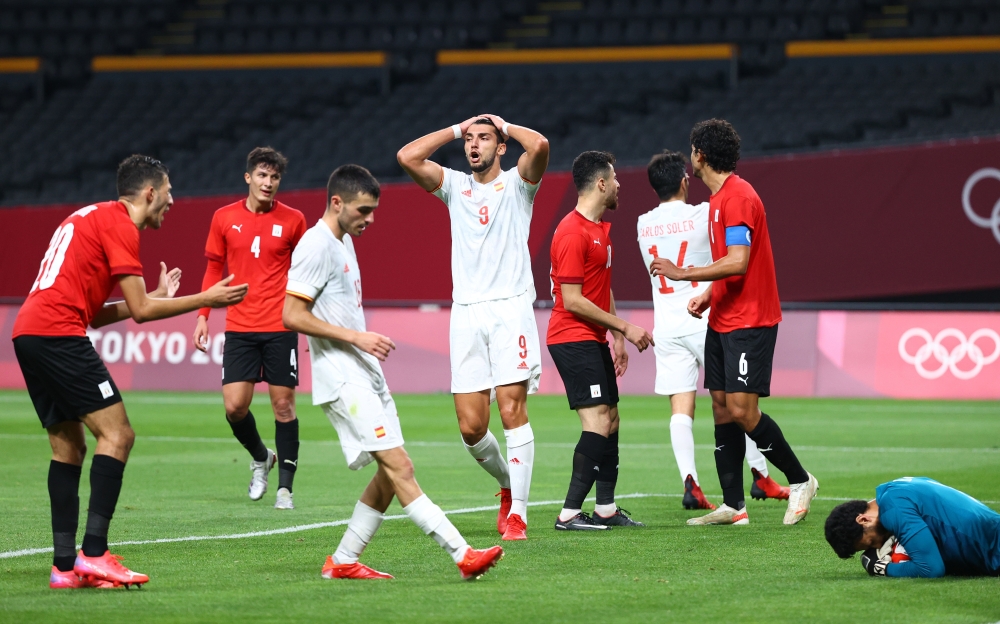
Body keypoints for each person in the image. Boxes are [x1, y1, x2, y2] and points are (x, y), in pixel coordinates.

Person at [12, 155, 248, 589]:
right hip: (58, 333)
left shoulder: (89, 217)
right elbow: (141, 312)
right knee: (118, 434)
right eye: (169, 192)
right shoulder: (121, 224)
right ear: (150, 193)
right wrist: (205, 299)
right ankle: (96, 554)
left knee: (68, 449)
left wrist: (156, 294)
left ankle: (65, 568)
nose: (173, 201)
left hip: (28, 331)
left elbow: (99, 315)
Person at [282, 164, 504, 580]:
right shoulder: (316, 245)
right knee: (401, 467)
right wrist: (357, 337)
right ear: (336, 202)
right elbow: (291, 314)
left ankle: (344, 560)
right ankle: (462, 554)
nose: (370, 219)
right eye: (363, 210)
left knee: (388, 476)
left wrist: (360, 343)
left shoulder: (342, 241)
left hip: (364, 373)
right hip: (342, 377)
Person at [650, 120, 818, 526]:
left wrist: (683, 272)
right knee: (722, 409)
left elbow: (740, 262)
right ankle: (733, 505)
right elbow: (732, 263)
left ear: (700, 155)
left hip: (751, 320)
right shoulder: (719, 199)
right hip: (724, 317)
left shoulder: (738, 198)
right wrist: (709, 294)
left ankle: (800, 480)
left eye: (692, 150)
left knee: (744, 409)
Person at [397, 114, 549, 541]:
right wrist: (453, 128)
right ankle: (506, 484)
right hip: (466, 312)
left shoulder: (520, 185)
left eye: (483, 138)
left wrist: (506, 124)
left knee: (511, 409)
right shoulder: (454, 186)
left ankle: (518, 513)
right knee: (471, 427)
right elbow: (407, 156)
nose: (473, 144)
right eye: (469, 139)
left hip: (510, 309)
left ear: (500, 147)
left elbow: (538, 147)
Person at [638, 150, 788, 511]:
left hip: (666, 325)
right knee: (737, 403)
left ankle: (690, 483)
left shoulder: (642, 223)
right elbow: (731, 248)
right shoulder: (704, 212)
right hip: (704, 317)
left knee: (680, 407)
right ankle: (760, 474)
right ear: (683, 181)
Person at [193, 147, 307, 509]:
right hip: (239, 326)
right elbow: (213, 269)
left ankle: (285, 490)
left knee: (283, 405)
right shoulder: (223, 218)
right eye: (262, 175)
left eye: (274, 177)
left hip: (280, 324)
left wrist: (308, 320)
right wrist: (203, 316)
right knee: (234, 408)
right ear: (248, 178)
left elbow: (307, 273)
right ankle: (262, 457)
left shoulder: (294, 220)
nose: (268, 183)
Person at [547, 151, 653, 531]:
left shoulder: (598, 229)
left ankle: (605, 507)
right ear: (601, 183)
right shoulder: (573, 231)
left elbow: (599, 288)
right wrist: (625, 327)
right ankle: (569, 513)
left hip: (592, 337)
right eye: (616, 178)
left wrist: (616, 339)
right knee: (596, 422)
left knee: (611, 419)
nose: (621, 184)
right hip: (571, 337)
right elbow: (572, 300)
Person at [825, 477, 1000, 578]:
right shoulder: (895, 487)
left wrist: (882, 568)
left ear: (863, 519)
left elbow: (930, 569)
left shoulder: (894, 509)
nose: (878, 548)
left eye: (871, 542)